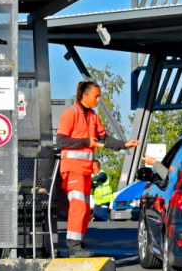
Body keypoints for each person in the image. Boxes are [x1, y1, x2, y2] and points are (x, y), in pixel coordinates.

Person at [56, 81, 139, 257]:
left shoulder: (93, 116)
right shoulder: (71, 114)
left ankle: (76, 245)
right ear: (84, 96)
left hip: (86, 171)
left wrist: (124, 144)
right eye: (96, 96)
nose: (99, 99)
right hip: (72, 170)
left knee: (85, 209)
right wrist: (87, 142)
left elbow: (104, 139)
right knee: (79, 207)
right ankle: (74, 247)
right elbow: (61, 141)